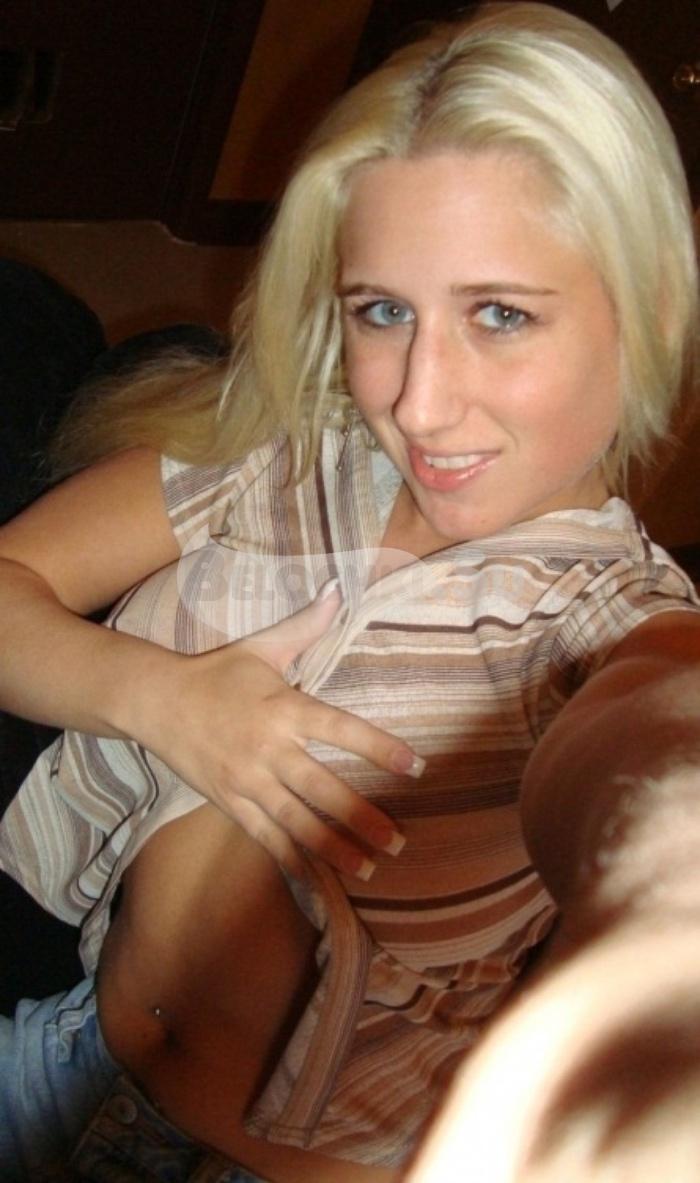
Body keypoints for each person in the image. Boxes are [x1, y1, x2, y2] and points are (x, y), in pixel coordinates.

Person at [0, 2, 698, 1179]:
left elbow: (653, 750)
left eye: (500, 315)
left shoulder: (601, 621)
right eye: (383, 311)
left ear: (648, 310)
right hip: (69, 1059)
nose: (417, 402)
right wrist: (165, 699)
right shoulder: (284, 462)